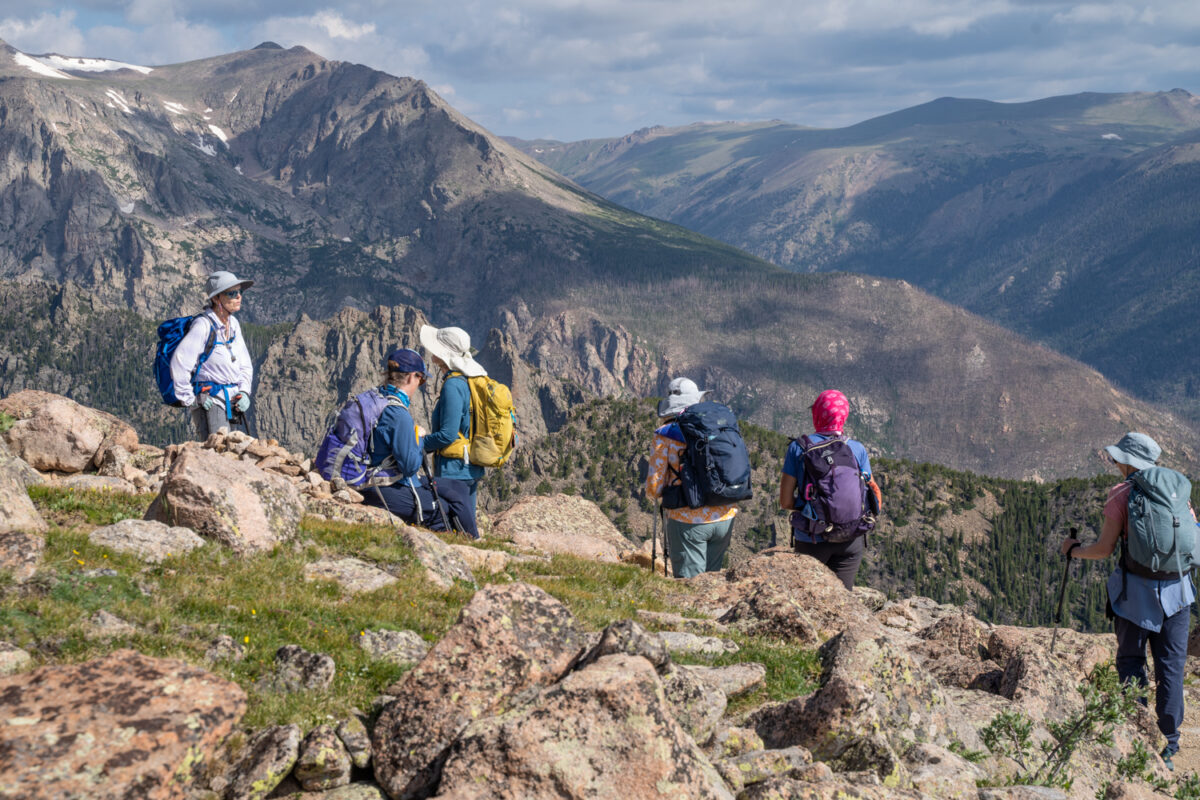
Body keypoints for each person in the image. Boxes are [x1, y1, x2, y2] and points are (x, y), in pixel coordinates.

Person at [1061, 432, 1196, 771]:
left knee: (1132, 661)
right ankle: (1169, 745)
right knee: (1171, 669)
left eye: (1117, 457)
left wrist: (1074, 551)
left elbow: (1105, 548)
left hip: (1136, 595)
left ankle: (1135, 736)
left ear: (1126, 461)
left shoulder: (1121, 494)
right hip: (1179, 594)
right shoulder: (1178, 491)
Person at [360, 348, 479, 538]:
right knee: (444, 509)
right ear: (410, 378)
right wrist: (419, 439)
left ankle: (475, 539)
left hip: (378, 478)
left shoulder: (377, 397)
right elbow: (410, 466)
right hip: (385, 484)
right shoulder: (398, 413)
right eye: (421, 379)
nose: (420, 384)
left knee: (457, 488)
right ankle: (468, 544)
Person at [778, 389, 873, 590]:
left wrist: (812, 509)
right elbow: (871, 493)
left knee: (808, 597)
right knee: (842, 601)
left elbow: (785, 501)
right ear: (843, 416)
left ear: (817, 414)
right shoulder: (857, 449)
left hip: (812, 539)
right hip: (851, 538)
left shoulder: (799, 448)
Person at [645, 377, 738, 578]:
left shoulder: (665, 434)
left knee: (690, 587)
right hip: (725, 515)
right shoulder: (717, 426)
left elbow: (654, 487)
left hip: (688, 520)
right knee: (711, 582)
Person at [169, 271, 254, 440]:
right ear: (216, 299)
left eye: (240, 292)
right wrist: (190, 399)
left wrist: (244, 391)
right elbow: (179, 362)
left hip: (231, 399)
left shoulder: (233, 324)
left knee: (230, 451)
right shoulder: (203, 326)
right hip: (210, 400)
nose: (238, 297)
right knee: (218, 450)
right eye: (232, 293)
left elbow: (244, 363)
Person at [419, 324, 488, 515]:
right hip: (468, 467)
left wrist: (418, 444)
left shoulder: (453, 385)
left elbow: (447, 435)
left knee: (455, 524)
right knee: (465, 523)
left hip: (454, 470)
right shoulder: (469, 379)